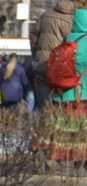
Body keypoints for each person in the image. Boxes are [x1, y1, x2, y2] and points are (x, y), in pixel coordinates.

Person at [38, 9, 87, 161]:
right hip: (82, 93)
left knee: (62, 132)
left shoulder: (67, 40)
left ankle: (58, 159)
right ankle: (79, 163)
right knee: (81, 132)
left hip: (61, 94)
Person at [29, 0, 76, 109]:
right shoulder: (74, 20)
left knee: (43, 106)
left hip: (42, 65)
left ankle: (43, 124)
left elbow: (33, 37)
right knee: (63, 106)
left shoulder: (45, 16)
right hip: (63, 68)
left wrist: (37, 55)